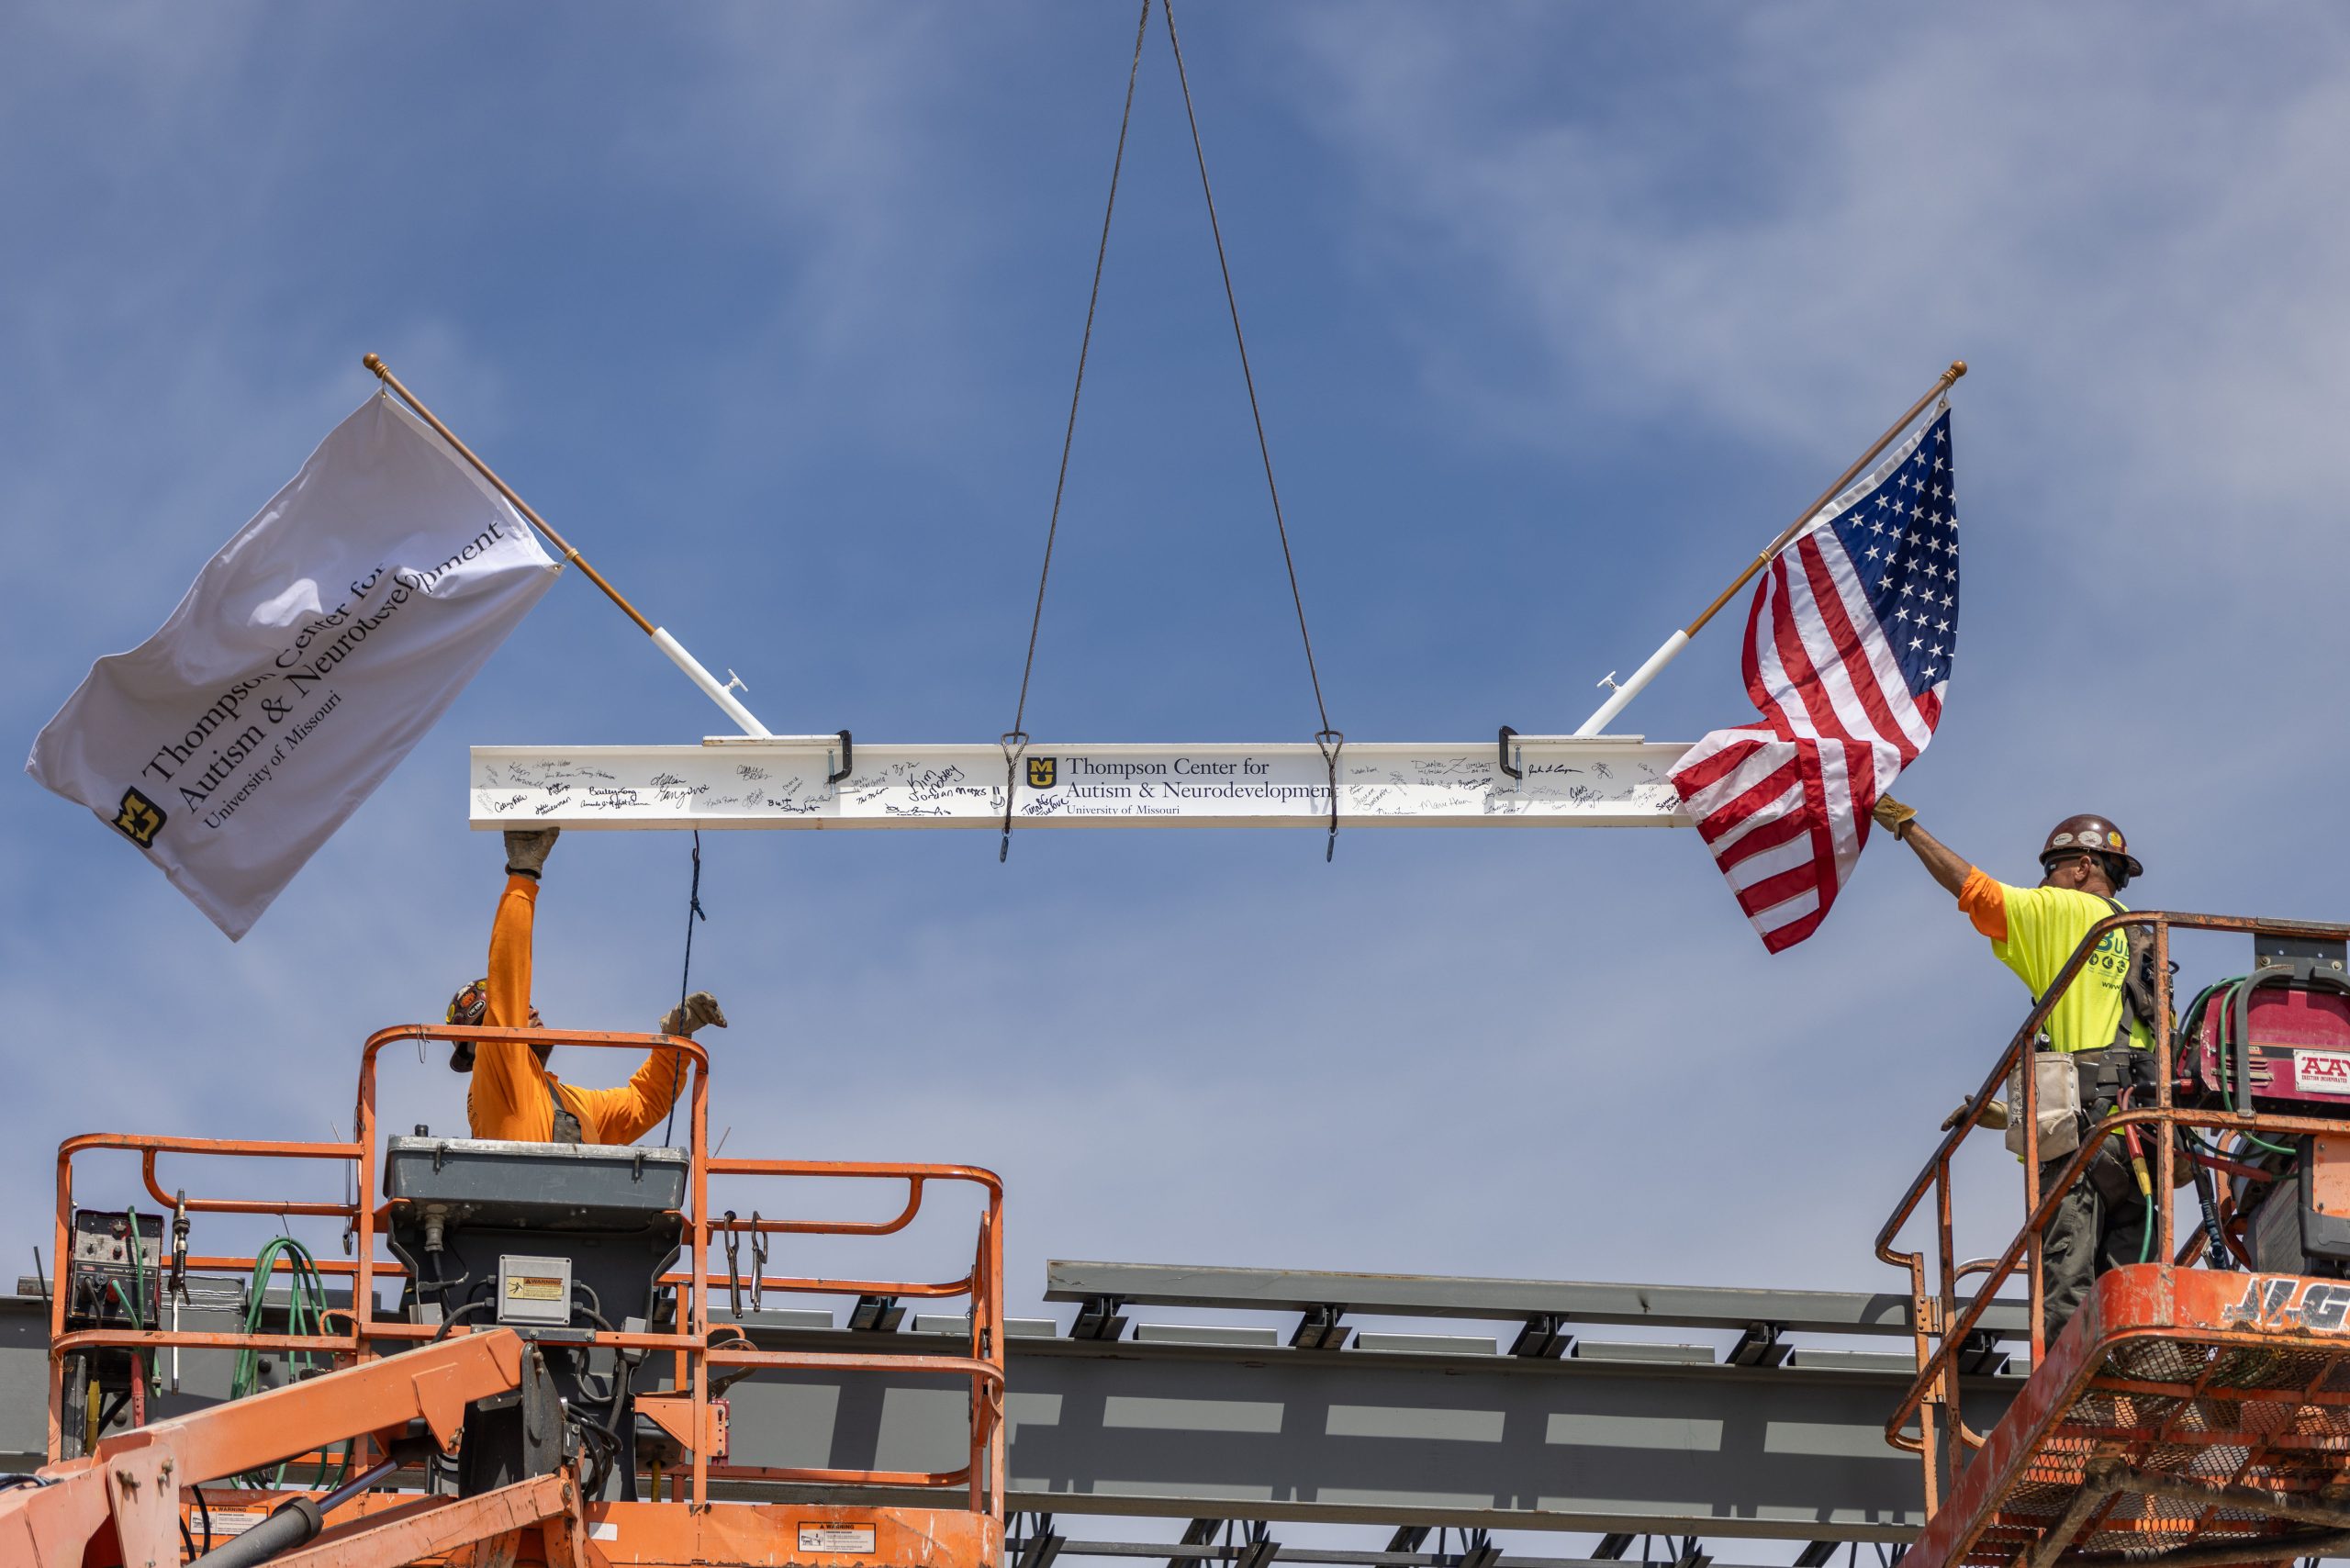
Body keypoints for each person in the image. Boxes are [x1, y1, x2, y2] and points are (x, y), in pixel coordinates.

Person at [1873, 797, 2161, 1339]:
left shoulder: (2063, 910)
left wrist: (1907, 827)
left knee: (2068, 1291)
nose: (2046, 881)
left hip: (2088, 1130)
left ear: (2081, 868)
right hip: (2145, 1131)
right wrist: (2011, 1111)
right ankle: (2130, 1394)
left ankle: (2074, 1411)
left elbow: (1975, 892)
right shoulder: (2144, 935)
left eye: (2051, 870)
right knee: (2132, 1293)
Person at [445, 825, 726, 1146]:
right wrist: (522, 878)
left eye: (526, 1003)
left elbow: (643, 1103)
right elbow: (509, 973)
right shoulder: (496, 1080)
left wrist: (674, 1038)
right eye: (509, 1010)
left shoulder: (568, 1103)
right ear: (478, 1046)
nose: (532, 1008)